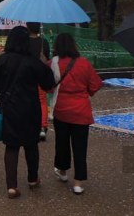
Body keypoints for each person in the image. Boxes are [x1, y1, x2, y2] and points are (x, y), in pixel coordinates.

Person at [0, 25, 55, 198]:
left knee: (12, 146)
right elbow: (48, 84)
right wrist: (44, 64)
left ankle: (11, 186)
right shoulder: (33, 62)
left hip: (9, 108)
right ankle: (32, 179)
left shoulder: (1, 60)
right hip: (30, 108)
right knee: (31, 145)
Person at [51, 33, 103, 195]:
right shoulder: (84, 63)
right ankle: (78, 183)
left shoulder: (53, 63)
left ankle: (63, 172)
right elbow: (96, 84)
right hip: (81, 112)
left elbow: (48, 86)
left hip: (61, 111)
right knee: (80, 147)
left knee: (62, 143)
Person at [27, 22, 50, 141]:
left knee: (27, 100)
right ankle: (42, 127)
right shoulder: (43, 42)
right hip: (40, 75)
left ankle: (29, 126)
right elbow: (48, 57)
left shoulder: (24, 42)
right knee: (42, 101)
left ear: (27, 27)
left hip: (27, 76)